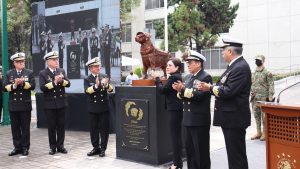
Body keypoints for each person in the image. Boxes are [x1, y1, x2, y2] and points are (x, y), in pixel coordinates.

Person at [198, 36, 251, 169]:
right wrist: (210, 88)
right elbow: (221, 87)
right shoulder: (234, 66)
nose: (221, 53)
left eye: (223, 50)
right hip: (230, 118)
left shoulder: (240, 67)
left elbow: (228, 91)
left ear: (230, 52)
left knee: (236, 156)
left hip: (235, 119)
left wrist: (209, 88)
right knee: (234, 154)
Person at [172, 51, 212, 169]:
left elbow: (199, 95)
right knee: (190, 152)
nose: (188, 65)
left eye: (190, 62)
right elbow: (182, 96)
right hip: (187, 120)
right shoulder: (188, 77)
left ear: (198, 63)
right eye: (187, 63)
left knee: (201, 152)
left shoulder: (205, 76)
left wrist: (182, 90)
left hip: (199, 120)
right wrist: (180, 91)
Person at [153, 58, 184, 169]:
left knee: (175, 137)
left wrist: (157, 79)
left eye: (170, 65)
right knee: (175, 136)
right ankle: (177, 163)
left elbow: (163, 90)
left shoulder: (174, 77)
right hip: (175, 109)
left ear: (177, 67)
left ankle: (176, 164)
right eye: (167, 65)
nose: (167, 67)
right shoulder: (175, 76)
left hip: (175, 110)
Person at [3, 53, 35, 156]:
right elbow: (4, 88)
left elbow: (33, 86)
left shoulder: (29, 73)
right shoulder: (9, 74)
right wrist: (15, 85)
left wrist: (23, 84)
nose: (22, 63)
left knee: (25, 128)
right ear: (14, 63)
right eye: (19, 62)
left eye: (23, 61)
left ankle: (25, 147)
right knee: (15, 128)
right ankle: (17, 147)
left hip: (25, 105)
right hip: (14, 105)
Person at [39, 51, 71, 155]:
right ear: (48, 62)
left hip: (61, 102)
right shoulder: (43, 73)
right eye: (54, 59)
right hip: (50, 104)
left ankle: (60, 146)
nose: (56, 61)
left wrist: (61, 81)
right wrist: (54, 83)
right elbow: (43, 88)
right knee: (52, 126)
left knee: (61, 125)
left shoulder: (61, 71)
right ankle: (52, 147)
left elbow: (68, 84)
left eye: (57, 59)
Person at [84, 57, 113, 157]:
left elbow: (111, 90)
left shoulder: (104, 76)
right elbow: (87, 91)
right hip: (93, 108)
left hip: (104, 107)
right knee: (94, 129)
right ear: (90, 68)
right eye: (96, 66)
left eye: (98, 66)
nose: (98, 68)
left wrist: (107, 85)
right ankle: (95, 148)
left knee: (104, 129)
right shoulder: (87, 79)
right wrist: (96, 86)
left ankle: (103, 149)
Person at [250, 55, 274, 141]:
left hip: (264, 98)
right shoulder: (254, 72)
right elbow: (251, 83)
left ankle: (265, 133)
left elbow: (271, 85)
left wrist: (270, 96)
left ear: (263, 61)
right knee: (256, 115)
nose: (257, 61)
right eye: (256, 60)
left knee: (264, 117)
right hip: (254, 98)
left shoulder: (267, 73)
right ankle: (258, 132)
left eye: (259, 60)